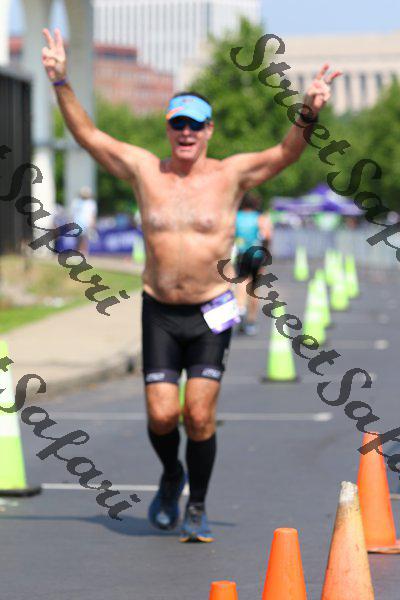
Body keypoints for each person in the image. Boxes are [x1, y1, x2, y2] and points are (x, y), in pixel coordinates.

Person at [41, 28, 340, 543]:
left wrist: (309, 109)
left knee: (199, 415)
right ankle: (171, 474)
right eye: (178, 123)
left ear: (208, 131)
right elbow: (89, 136)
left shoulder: (230, 175)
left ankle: (196, 503)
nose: (185, 133)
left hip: (211, 310)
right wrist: (61, 81)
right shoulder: (144, 170)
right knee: (162, 416)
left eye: (195, 125)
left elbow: (285, 154)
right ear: (168, 128)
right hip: (160, 309)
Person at [235, 192, 272, 336]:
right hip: (257, 255)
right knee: (254, 289)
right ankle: (251, 321)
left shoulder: (236, 217)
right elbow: (267, 236)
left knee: (242, 281)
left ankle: (240, 308)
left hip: (241, 253)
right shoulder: (260, 218)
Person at [71, 186, 98, 255]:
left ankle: (83, 251)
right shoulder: (76, 202)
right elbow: (73, 213)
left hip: (87, 223)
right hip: (77, 222)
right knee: (78, 238)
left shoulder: (91, 203)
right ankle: (78, 251)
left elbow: (93, 214)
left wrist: (93, 223)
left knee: (85, 238)